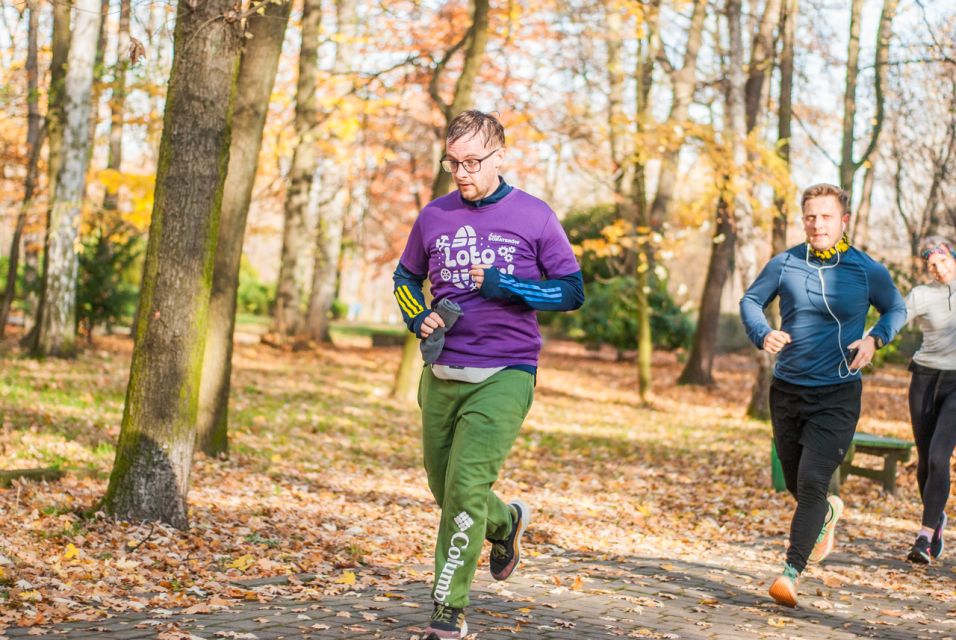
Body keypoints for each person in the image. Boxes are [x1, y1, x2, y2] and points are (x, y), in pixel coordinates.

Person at [392, 110, 584, 640]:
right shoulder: (433, 216)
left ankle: (447, 609)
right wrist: (417, 314)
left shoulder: (535, 216)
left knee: (466, 486)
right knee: (444, 485)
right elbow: (405, 278)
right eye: (452, 161)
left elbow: (571, 291)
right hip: (442, 369)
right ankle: (506, 523)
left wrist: (508, 285)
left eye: (472, 161)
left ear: (500, 157)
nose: (460, 171)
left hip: (506, 371)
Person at [740, 183, 906, 607]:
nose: (818, 224)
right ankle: (828, 512)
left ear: (843, 221)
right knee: (799, 483)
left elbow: (896, 308)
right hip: (788, 391)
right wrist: (763, 333)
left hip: (837, 393)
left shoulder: (866, 270)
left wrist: (875, 339)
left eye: (826, 216)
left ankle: (790, 573)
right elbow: (750, 300)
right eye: (811, 216)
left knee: (813, 480)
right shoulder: (785, 263)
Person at [903, 237, 956, 564]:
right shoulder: (922, 295)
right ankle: (936, 518)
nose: (937, 270)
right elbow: (895, 319)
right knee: (924, 458)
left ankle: (923, 537)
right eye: (931, 266)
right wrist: (871, 340)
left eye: (943, 261)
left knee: (939, 456)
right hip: (923, 379)